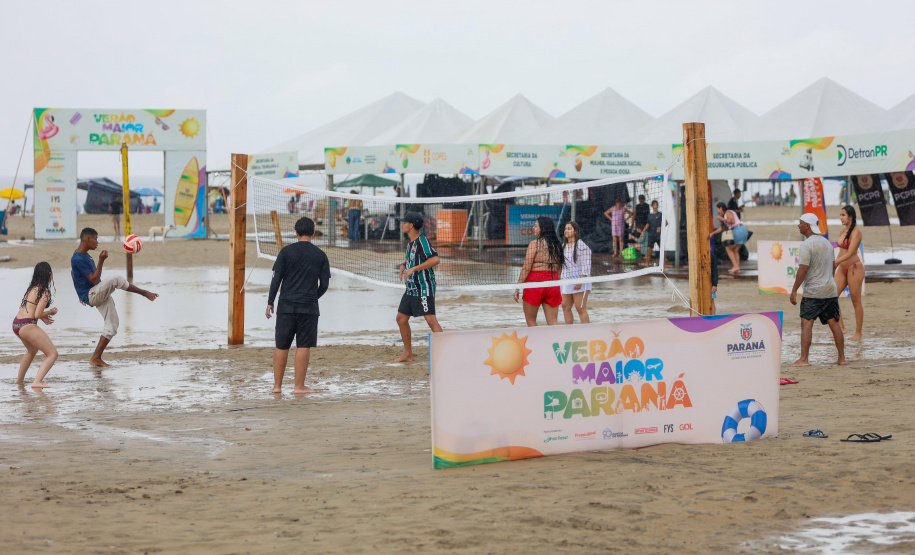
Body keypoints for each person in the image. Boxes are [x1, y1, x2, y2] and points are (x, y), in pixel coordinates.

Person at [71, 228, 159, 366]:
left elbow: (73, 273)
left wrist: (79, 293)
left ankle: (95, 358)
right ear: (88, 240)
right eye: (96, 238)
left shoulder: (84, 256)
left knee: (112, 326)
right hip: (92, 293)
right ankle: (144, 293)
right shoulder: (77, 258)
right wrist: (101, 260)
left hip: (94, 293)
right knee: (116, 279)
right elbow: (94, 279)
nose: (97, 242)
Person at [266, 217, 331, 394]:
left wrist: (270, 302)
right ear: (312, 233)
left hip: (286, 306)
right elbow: (324, 285)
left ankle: (277, 386)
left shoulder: (286, 252)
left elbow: (276, 279)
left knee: (281, 345)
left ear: (296, 232)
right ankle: (299, 386)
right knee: (303, 345)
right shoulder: (320, 255)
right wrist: (313, 297)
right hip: (308, 307)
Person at [789, 214, 845, 367]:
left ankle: (804, 360)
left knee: (806, 323)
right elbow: (833, 266)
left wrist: (794, 290)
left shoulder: (807, 245)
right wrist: (828, 280)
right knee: (834, 324)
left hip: (813, 292)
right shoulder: (827, 243)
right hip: (829, 290)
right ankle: (842, 359)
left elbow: (803, 269)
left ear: (807, 225)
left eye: (800, 223)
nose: (798, 225)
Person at [394, 211, 443, 362]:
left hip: (423, 287)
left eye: (404, 222)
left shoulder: (422, 241)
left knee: (430, 320)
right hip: (411, 288)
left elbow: (435, 260)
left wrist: (414, 269)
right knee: (401, 319)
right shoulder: (411, 243)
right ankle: (408, 354)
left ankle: (446, 353)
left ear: (411, 225)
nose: (402, 224)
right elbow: (412, 260)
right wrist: (404, 265)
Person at [14, 262, 59, 388]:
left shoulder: (32, 288)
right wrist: (50, 312)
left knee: (32, 350)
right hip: (27, 325)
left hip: (17, 323)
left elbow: (30, 309)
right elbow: (37, 315)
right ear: (49, 274)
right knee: (52, 354)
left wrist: (43, 316)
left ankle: (19, 380)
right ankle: (37, 382)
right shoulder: (44, 291)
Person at [515, 216, 564, 326]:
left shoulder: (534, 244)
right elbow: (559, 269)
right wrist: (557, 283)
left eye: (536, 226)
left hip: (535, 282)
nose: (533, 228)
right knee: (553, 322)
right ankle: (555, 342)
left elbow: (527, 267)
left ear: (543, 229)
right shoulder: (557, 245)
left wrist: (518, 287)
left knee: (531, 320)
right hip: (553, 281)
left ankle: (537, 343)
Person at [833, 205, 864, 341]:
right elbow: (841, 251)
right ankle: (842, 327)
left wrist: (837, 261)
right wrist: (836, 264)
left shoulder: (856, 232)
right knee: (832, 296)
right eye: (840, 215)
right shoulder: (842, 231)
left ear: (851, 217)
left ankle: (858, 332)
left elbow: (851, 252)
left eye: (843, 215)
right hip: (842, 268)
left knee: (855, 301)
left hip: (854, 267)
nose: (841, 218)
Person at [560, 222, 592, 325]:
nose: (566, 230)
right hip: (566, 280)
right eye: (565, 228)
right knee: (565, 306)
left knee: (580, 308)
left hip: (580, 280)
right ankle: (569, 330)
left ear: (575, 231)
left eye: (569, 228)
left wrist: (581, 279)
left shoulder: (581, 245)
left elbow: (586, 262)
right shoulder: (563, 246)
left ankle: (586, 332)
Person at [716, 202, 748, 275]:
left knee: (728, 249)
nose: (718, 211)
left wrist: (722, 219)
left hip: (737, 230)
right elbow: (722, 228)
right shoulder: (729, 213)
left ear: (721, 208)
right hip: (743, 230)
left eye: (718, 209)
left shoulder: (727, 213)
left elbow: (732, 221)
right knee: (736, 250)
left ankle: (735, 266)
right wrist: (712, 234)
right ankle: (738, 268)